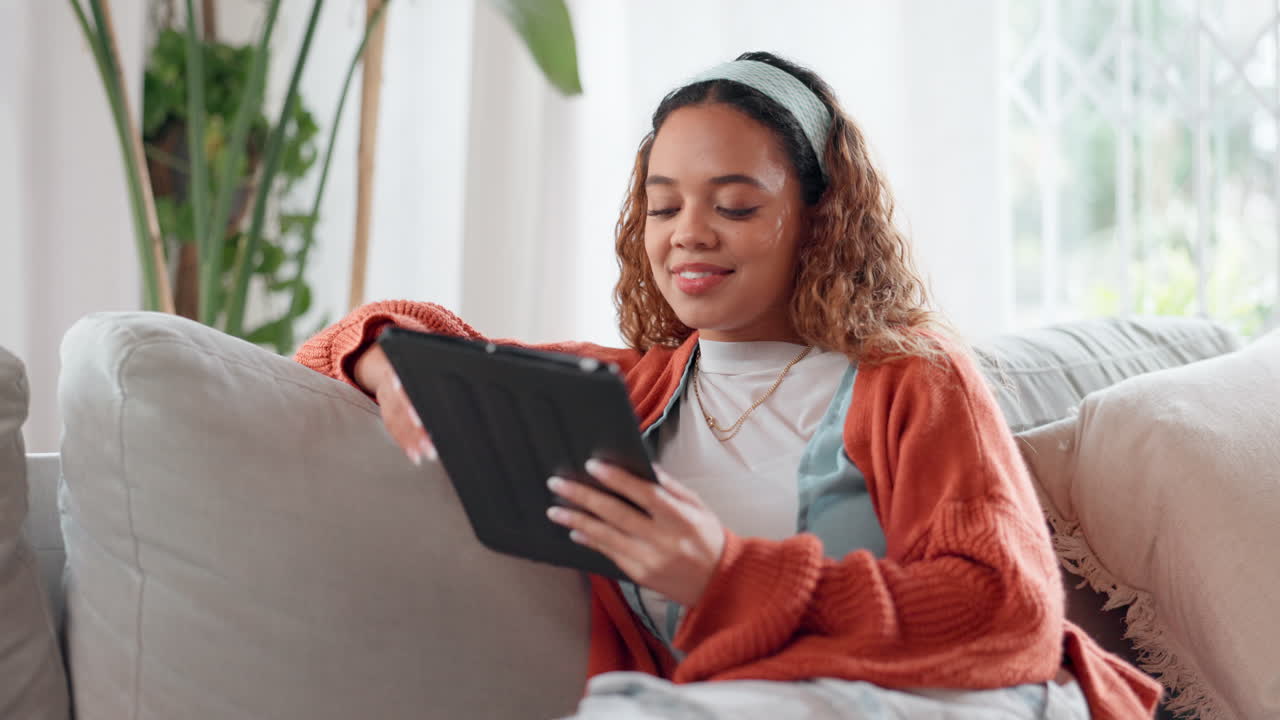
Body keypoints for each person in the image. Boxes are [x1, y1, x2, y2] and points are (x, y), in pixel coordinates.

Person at [295, 52, 1160, 719]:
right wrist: (386, 356)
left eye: (736, 206)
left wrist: (721, 573)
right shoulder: (627, 395)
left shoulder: (911, 374)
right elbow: (344, 338)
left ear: (821, 219)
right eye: (663, 207)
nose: (689, 235)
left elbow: (1007, 608)